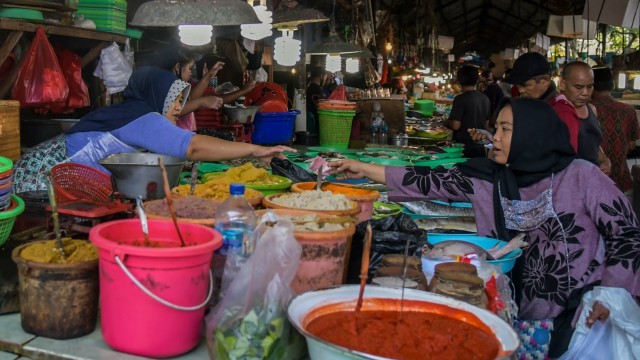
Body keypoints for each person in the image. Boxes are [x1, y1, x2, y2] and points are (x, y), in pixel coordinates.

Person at [329, 97, 640, 359]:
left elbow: (626, 232)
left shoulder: (582, 177)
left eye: (506, 129)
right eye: (497, 129)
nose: (496, 138)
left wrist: (611, 293)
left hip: (582, 316)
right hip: (515, 312)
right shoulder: (489, 177)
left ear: (534, 134)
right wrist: (362, 167)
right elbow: (427, 180)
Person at [13, 67, 294, 193]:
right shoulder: (143, 117)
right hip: (37, 182)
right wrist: (258, 149)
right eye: (173, 100)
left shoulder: (129, 113)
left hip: (49, 177)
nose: (178, 108)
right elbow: (193, 146)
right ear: (156, 97)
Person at [505, 52, 580, 152]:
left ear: (545, 81)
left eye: (526, 85)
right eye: (518, 86)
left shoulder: (561, 112)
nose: (520, 90)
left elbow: (567, 156)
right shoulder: (529, 104)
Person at [167, 50, 256, 131]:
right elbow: (183, 107)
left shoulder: (186, 87)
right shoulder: (183, 87)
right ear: (178, 67)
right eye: (190, 68)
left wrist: (209, 75)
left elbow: (217, 100)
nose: (191, 72)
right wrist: (202, 101)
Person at [591, 66, 639, 198]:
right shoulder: (628, 110)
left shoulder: (584, 111)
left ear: (591, 86)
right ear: (612, 85)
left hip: (593, 185)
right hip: (622, 183)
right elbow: (631, 146)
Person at [560, 62, 611, 174]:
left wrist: (604, 161)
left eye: (590, 87)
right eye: (578, 87)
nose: (585, 93)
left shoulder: (592, 109)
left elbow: (593, 144)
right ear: (563, 84)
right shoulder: (556, 112)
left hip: (593, 178)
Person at [447, 65, 491, 158]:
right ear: (477, 80)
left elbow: (455, 125)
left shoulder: (460, 99)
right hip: (480, 148)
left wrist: (446, 121)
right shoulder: (485, 98)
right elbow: (487, 125)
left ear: (459, 81)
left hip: (463, 148)